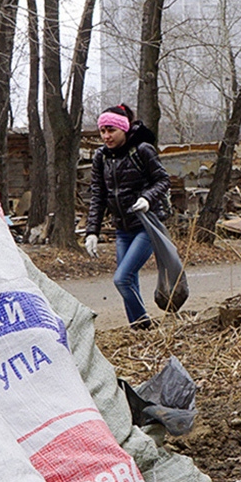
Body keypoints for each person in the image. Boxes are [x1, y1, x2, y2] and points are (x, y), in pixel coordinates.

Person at [84, 105, 172, 329]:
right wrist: (92, 232)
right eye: (102, 131)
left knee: (121, 279)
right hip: (122, 229)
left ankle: (144, 326)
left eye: (111, 130)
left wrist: (147, 199)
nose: (106, 136)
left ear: (124, 128)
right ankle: (138, 331)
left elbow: (163, 180)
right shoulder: (101, 157)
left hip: (147, 225)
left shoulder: (142, 150)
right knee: (129, 281)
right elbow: (98, 196)